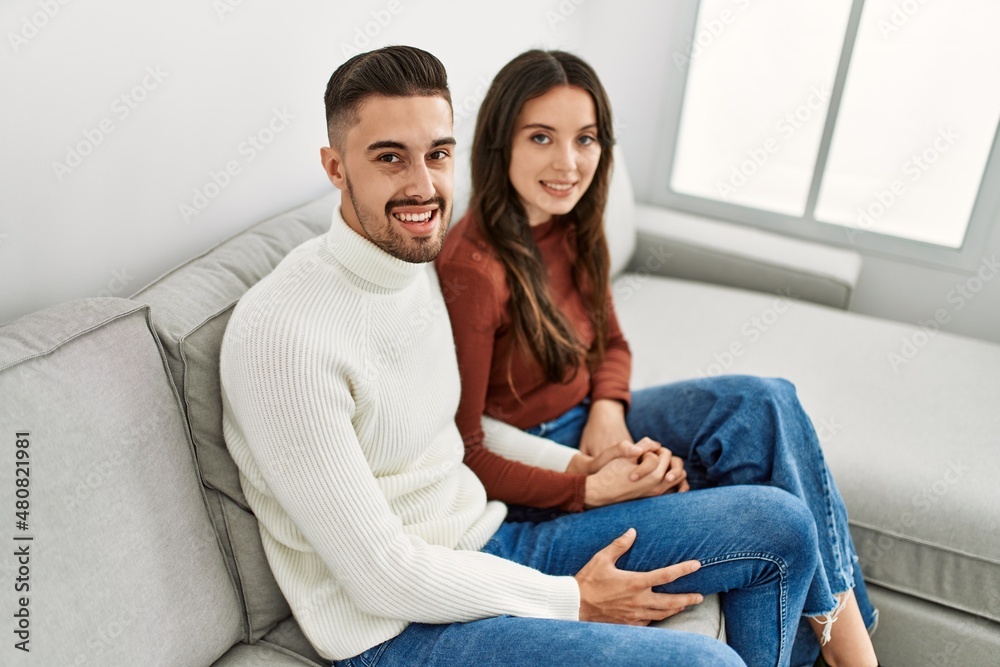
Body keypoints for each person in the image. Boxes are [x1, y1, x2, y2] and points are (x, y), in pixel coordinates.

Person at [221, 44, 832, 667]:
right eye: (389, 158)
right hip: (396, 630)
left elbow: (459, 432)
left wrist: (586, 472)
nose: (422, 185)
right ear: (335, 167)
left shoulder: (414, 265)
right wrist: (572, 599)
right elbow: (381, 575)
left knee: (781, 525)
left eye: (437, 154)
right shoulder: (283, 339)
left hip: (491, 540)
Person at [435, 49, 880, 667]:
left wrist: (609, 409)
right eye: (542, 137)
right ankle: (839, 651)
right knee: (772, 518)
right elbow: (466, 450)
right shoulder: (472, 271)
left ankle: (844, 642)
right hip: (533, 478)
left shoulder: (572, 220)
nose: (568, 163)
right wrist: (587, 483)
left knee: (763, 402)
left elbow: (612, 345)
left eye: (585, 139)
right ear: (498, 143)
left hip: (590, 425)